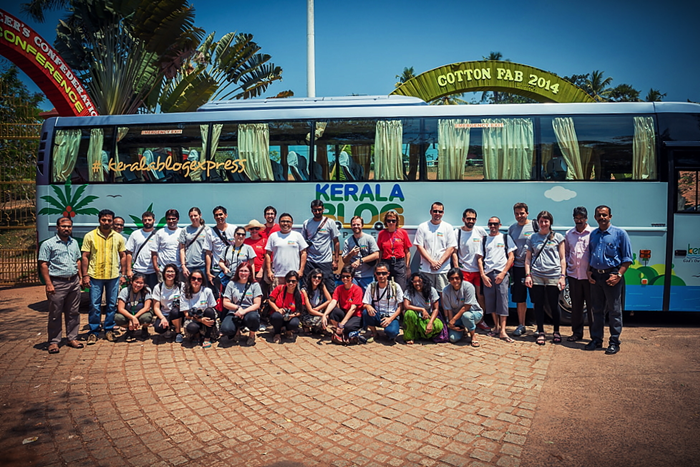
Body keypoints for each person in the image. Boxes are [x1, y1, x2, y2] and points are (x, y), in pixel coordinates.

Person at [585, 205, 632, 355]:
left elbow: (627, 259)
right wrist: (588, 272)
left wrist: (618, 275)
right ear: (595, 217)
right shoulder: (593, 234)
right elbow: (590, 255)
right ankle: (596, 339)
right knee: (596, 310)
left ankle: (614, 342)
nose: (602, 217)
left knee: (614, 311)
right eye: (599, 215)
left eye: (605, 215)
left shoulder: (620, 234)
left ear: (610, 216)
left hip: (612, 276)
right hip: (596, 277)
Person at [81, 209, 127, 345]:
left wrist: (123, 274)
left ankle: (109, 329)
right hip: (95, 275)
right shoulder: (90, 236)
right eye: (104, 220)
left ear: (113, 221)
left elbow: (123, 255)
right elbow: (85, 256)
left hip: (113, 276)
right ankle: (93, 332)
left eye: (109, 220)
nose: (106, 222)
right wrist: (85, 275)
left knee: (112, 304)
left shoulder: (118, 237)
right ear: (99, 220)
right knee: (95, 305)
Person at [38, 216, 83, 354]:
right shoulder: (48, 244)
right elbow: (43, 264)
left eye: (69, 226)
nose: (66, 229)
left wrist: (80, 278)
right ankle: (54, 342)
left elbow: (78, 260)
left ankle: (72, 338)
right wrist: (48, 283)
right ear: (57, 227)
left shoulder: (74, 242)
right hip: (57, 282)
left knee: (73, 312)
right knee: (55, 313)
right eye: (63, 226)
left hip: (73, 281)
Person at [524, 211, 566, 346]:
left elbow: (563, 258)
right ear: (538, 222)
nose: (543, 224)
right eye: (541, 221)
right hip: (537, 276)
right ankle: (541, 332)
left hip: (553, 275)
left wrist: (562, 276)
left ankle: (556, 331)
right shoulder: (532, 238)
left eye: (546, 221)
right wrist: (528, 275)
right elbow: (528, 259)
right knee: (538, 305)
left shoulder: (558, 237)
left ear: (550, 222)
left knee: (554, 305)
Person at [478, 217, 516, 343]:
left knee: (503, 302)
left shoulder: (506, 238)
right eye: (490, 224)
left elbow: (511, 257)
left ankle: (503, 331)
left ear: (500, 225)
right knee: (491, 302)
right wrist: (483, 275)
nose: (493, 226)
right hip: (488, 275)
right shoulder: (484, 240)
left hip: (501, 275)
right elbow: (480, 258)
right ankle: (496, 327)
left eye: (495, 224)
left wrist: (503, 273)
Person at [508, 202, 537, 337]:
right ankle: (521, 325)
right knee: (520, 298)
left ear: (527, 213)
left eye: (522, 213)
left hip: (534, 268)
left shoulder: (535, 226)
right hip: (518, 268)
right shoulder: (512, 229)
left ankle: (539, 326)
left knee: (537, 298)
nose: (519, 216)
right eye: (517, 214)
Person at [565, 207, 594, 342]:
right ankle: (577, 333)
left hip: (590, 278)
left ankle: (595, 335)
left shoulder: (593, 233)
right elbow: (565, 253)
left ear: (586, 218)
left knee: (592, 307)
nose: (579, 221)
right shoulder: (569, 234)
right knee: (576, 307)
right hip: (573, 276)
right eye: (577, 218)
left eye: (581, 218)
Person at [414, 202, 457, 292]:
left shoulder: (448, 227)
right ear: (431, 212)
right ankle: (428, 307)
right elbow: (419, 246)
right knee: (426, 292)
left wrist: (439, 263)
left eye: (440, 211)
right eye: (435, 211)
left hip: (443, 269)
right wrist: (431, 262)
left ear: (443, 213)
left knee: (444, 293)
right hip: (426, 268)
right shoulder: (422, 227)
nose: (437, 213)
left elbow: (451, 248)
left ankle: (442, 307)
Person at [451, 208, 487, 309]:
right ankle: (465, 319)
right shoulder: (457, 232)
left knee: (480, 296)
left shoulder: (480, 231)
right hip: (464, 271)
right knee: (464, 296)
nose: (471, 221)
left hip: (478, 271)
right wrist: (457, 268)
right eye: (468, 219)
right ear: (463, 219)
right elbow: (454, 252)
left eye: (473, 219)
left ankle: (481, 319)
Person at [301, 199, 340, 292]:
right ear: (311, 210)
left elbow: (336, 242)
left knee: (330, 289)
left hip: (325, 261)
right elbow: (303, 244)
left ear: (323, 209)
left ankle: (333, 306)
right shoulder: (307, 223)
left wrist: (336, 260)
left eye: (319, 209)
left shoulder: (330, 222)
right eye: (315, 210)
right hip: (310, 261)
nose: (317, 212)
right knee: (307, 288)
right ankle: (307, 306)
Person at [221, 262, 262, 346]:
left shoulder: (255, 285)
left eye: (246, 271)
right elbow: (225, 302)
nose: (243, 273)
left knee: (253, 317)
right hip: (234, 311)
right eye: (241, 271)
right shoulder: (231, 284)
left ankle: (251, 335)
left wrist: (244, 311)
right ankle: (237, 332)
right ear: (237, 272)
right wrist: (238, 308)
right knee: (226, 329)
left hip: (250, 311)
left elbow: (257, 304)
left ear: (250, 273)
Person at [362, 262, 404, 343]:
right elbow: (365, 303)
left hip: (391, 316)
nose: (381, 276)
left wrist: (390, 319)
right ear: (375, 274)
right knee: (365, 312)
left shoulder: (395, 286)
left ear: (388, 274)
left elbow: (401, 306)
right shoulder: (371, 287)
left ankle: (389, 333)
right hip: (377, 315)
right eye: (379, 273)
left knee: (392, 333)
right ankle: (374, 332)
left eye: (384, 273)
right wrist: (368, 306)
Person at [442, 267, 483, 347]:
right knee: (453, 338)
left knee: (466, 316)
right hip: (457, 316)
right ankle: (463, 329)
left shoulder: (468, 287)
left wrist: (453, 319)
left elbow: (466, 307)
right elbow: (449, 309)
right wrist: (451, 324)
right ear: (449, 280)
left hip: (474, 313)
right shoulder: (446, 290)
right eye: (452, 278)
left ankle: (473, 335)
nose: (455, 281)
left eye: (457, 278)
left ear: (461, 278)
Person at [322, 266, 364, 344]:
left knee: (347, 326)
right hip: (345, 313)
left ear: (352, 277)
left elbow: (353, 309)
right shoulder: (339, 288)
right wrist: (325, 315)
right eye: (343, 276)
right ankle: (341, 331)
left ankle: (343, 331)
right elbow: (333, 302)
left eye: (347, 276)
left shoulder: (357, 289)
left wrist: (341, 324)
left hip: (355, 315)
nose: (345, 278)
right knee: (333, 311)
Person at [265, 213, 308, 286]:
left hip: (293, 275)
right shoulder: (273, 236)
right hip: (277, 275)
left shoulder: (297, 235)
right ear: (279, 223)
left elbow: (304, 253)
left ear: (292, 223)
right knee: (276, 297)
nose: (285, 223)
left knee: (293, 297)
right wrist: (269, 271)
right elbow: (267, 254)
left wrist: (301, 270)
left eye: (288, 222)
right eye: (283, 221)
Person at [402, 272, 443, 344]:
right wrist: (422, 309)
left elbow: (436, 309)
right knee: (409, 313)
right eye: (414, 281)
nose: (417, 283)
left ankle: (420, 334)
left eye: (419, 281)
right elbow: (406, 306)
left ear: (424, 281)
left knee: (439, 325)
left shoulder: (431, 290)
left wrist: (430, 322)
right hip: (415, 317)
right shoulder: (409, 291)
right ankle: (410, 337)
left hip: (427, 317)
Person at [181, 269, 218, 348]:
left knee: (209, 311)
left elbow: (212, 308)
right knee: (191, 327)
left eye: (199, 279)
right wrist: (200, 320)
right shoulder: (185, 293)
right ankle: (197, 335)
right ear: (190, 279)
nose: (196, 281)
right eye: (193, 278)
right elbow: (187, 314)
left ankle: (207, 338)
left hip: (206, 316)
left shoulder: (207, 291)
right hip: (193, 318)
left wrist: (204, 317)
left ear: (202, 281)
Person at [204, 206, 237, 293]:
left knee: (234, 293)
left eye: (221, 214)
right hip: (217, 269)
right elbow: (208, 253)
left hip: (232, 268)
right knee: (220, 294)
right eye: (216, 215)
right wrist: (208, 272)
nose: (219, 217)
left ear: (226, 215)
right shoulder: (210, 232)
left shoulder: (234, 229)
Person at [342, 216, 380, 291]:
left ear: (362, 225)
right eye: (354, 225)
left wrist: (360, 260)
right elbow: (344, 260)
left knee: (368, 300)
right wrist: (351, 254)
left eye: (358, 224)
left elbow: (376, 255)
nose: (356, 226)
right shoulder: (348, 241)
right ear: (351, 226)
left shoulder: (369, 238)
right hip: (353, 277)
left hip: (367, 276)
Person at [376, 210, 412, 290]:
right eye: (389, 221)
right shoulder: (382, 233)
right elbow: (380, 251)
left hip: (399, 263)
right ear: (386, 222)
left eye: (393, 220)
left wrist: (407, 267)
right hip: (386, 263)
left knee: (401, 288)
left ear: (396, 221)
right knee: (385, 288)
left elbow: (407, 252)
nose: (391, 223)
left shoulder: (403, 233)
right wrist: (378, 265)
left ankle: (400, 302)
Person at [268, 270, 305, 344]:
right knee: (276, 316)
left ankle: (288, 330)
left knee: (294, 323)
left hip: (290, 317)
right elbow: (270, 300)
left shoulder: (300, 294)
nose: (291, 283)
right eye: (289, 281)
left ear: (297, 282)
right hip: (278, 315)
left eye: (293, 281)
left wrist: (292, 315)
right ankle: (277, 333)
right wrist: (277, 309)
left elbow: (300, 311)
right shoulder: (280, 288)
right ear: (285, 281)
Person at [115, 272, 153, 342]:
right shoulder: (125, 291)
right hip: (128, 314)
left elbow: (147, 307)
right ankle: (129, 330)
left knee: (147, 318)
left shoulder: (147, 290)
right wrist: (132, 318)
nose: (138, 285)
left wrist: (134, 317)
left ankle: (144, 329)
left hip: (141, 314)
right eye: (136, 282)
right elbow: (120, 308)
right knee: (118, 318)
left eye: (141, 283)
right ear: (131, 282)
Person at [151, 263, 185, 343]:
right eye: (168, 271)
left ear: (176, 274)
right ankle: (168, 327)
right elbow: (156, 307)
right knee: (158, 328)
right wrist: (162, 318)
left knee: (175, 312)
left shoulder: (181, 285)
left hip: (178, 313)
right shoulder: (158, 287)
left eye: (172, 272)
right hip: (164, 313)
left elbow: (186, 302)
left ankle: (178, 332)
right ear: (164, 274)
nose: (170, 274)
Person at [125, 211, 158, 291]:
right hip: (138, 270)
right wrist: (129, 270)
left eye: (149, 220)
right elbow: (129, 253)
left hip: (154, 271)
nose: (147, 222)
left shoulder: (158, 234)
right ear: (142, 221)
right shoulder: (135, 234)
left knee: (153, 295)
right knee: (137, 293)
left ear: (154, 220)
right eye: (145, 220)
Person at [151, 209, 183, 277]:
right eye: (169, 219)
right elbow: (154, 251)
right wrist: (156, 267)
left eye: (173, 219)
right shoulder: (160, 233)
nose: (171, 221)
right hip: (163, 270)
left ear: (178, 219)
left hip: (179, 270)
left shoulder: (182, 232)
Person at [179, 207, 208, 281]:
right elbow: (182, 249)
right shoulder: (185, 230)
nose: (193, 218)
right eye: (191, 216)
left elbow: (209, 249)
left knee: (202, 288)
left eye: (195, 215)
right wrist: (183, 266)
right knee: (189, 288)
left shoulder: (207, 230)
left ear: (200, 215)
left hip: (202, 265)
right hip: (189, 265)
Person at [301, 268, 332, 334]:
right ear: (310, 277)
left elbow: (330, 300)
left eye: (319, 278)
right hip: (308, 314)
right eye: (314, 277)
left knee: (332, 312)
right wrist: (324, 315)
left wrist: (318, 308)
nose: (316, 279)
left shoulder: (322, 286)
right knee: (323, 320)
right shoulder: (304, 290)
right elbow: (310, 311)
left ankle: (317, 328)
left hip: (318, 310)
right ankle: (306, 326)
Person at [243, 219, 268, 287]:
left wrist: (261, 272)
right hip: (247, 271)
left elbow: (266, 258)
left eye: (256, 228)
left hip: (260, 272)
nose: (254, 230)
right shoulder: (245, 241)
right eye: (252, 229)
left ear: (259, 229)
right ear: (249, 230)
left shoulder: (264, 241)